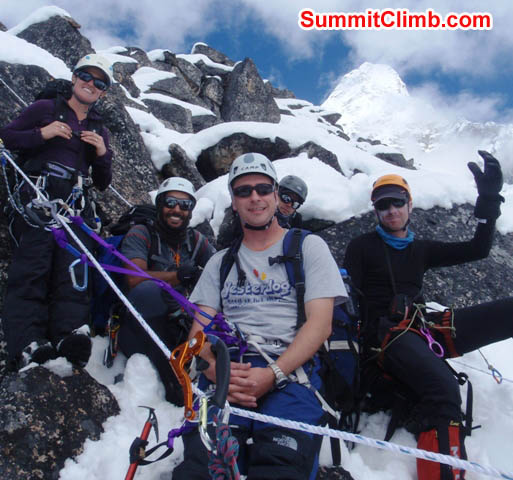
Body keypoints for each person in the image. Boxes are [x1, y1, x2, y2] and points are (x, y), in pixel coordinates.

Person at [174, 153, 346, 480]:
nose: (254, 197)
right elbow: (198, 333)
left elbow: (321, 324)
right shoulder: (221, 262)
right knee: (203, 470)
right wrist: (212, 369)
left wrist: (272, 374)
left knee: (281, 467)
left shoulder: (309, 248)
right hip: (230, 374)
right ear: (234, 203)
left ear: (275, 195)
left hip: (292, 373)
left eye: (263, 188)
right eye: (243, 191)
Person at [343, 151, 513, 480]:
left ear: (409, 205)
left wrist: (488, 202)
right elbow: (347, 299)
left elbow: (478, 249)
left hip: (424, 328)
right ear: (376, 211)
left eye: (397, 202)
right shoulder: (361, 247)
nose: (391, 210)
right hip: (386, 338)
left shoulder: (420, 249)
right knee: (443, 387)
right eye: (383, 205)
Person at [1, 53, 114, 369]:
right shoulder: (45, 109)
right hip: (38, 197)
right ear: (74, 78)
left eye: (99, 82)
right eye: (86, 77)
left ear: (103, 92)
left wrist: (102, 153)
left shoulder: (99, 129)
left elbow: (103, 182)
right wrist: (43, 134)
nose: (91, 84)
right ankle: (27, 343)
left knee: (74, 271)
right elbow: (7, 137)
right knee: (32, 268)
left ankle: (69, 334)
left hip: (74, 205)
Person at [117, 177, 216, 404]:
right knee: (149, 291)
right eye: (170, 202)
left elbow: (220, 270)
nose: (177, 210)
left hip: (182, 323)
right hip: (140, 326)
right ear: (160, 204)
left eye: (185, 205)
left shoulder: (196, 241)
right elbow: (135, 279)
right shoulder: (141, 234)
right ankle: (173, 378)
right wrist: (178, 276)